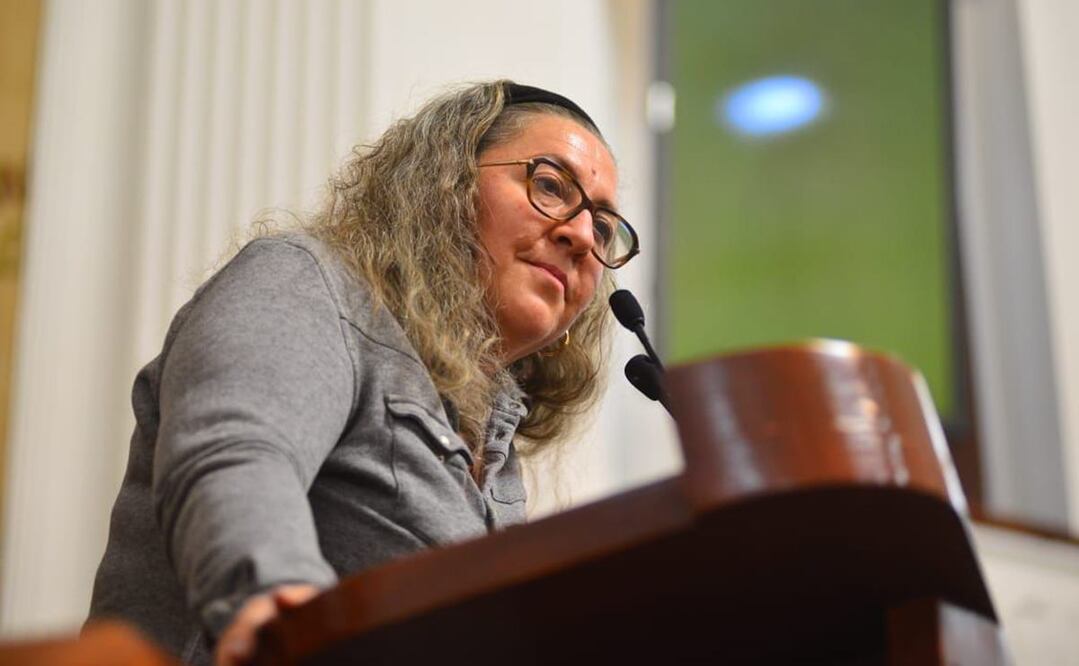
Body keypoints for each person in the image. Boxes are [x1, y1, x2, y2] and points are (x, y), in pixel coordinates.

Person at [85, 80, 639, 665]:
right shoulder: (308, 283)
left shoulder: (498, 447)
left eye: (604, 228)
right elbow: (239, 453)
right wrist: (276, 604)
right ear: (444, 184)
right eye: (550, 185)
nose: (582, 236)